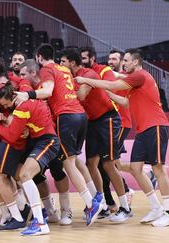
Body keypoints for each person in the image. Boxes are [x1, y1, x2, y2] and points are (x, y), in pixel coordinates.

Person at [76, 48, 169, 227]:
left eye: (127, 61)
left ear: (136, 62)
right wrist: (106, 93)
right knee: (136, 169)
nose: (124, 63)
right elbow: (125, 102)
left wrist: (86, 80)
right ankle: (156, 207)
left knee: (159, 168)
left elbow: (113, 83)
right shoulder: (135, 82)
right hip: (143, 130)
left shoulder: (140, 76)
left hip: (156, 126)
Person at [14, 44, 102, 227]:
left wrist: (27, 95)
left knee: (68, 164)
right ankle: (90, 201)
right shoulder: (64, 69)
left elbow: (47, 91)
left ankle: (91, 203)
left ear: (39, 57)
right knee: (73, 162)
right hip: (80, 116)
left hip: (66, 117)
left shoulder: (47, 68)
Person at [60, 48, 132, 223]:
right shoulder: (69, 78)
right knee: (91, 164)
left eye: (63, 62)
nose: (60, 65)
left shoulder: (88, 73)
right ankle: (103, 204)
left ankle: (125, 207)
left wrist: (62, 96)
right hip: (91, 121)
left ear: (72, 62)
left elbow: (81, 95)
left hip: (107, 119)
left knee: (108, 164)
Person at [0, 81, 60, 236]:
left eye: (7, 104)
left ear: (13, 97)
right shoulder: (27, 94)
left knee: (24, 175)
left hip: (48, 141)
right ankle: (40, 218)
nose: (6, 108)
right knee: (22, 175)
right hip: (40, 140)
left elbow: (10, 137)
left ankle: (41, 222)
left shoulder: (21, 109)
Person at [81, 46, 134, 212]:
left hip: (116, 120)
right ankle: (107, 202)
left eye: (116, 59)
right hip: (95, 121)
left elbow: (110, 85)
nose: (111, 62)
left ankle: (122, 197)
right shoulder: (88, 73)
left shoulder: (104, 72)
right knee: (100, 164)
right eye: (110, 59)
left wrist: (87, 81)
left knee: (108, 164)